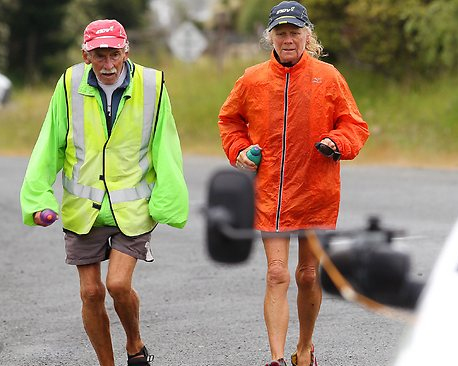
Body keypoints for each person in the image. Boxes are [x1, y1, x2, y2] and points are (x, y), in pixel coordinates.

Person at [20, 19, 188, 366]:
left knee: (117, 285)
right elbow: (49, 144)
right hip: (84, 208)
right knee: (91, 292)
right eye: (99, 55)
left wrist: (168, 200)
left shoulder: (153, 84)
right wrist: (38, 199)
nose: (108, 64)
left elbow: (166, 145)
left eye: (114, 54)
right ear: (86, 55)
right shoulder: (69, 84)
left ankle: (134, 343)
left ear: (126, 51)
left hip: (133, 207)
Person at [217, 2, 369, 366]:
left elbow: (355, 126)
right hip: (270, 194)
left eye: (295, 32)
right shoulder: (252, 79)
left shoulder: (328, 77)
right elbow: (229, 121)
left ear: (307, 35)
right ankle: (276, 358)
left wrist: (338, 143)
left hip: (317, 193)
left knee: (307, 274)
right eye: (281, 32)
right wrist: (240, 150)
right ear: (270, 36)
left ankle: (304, 348)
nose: (288, 39)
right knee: (276, 273)